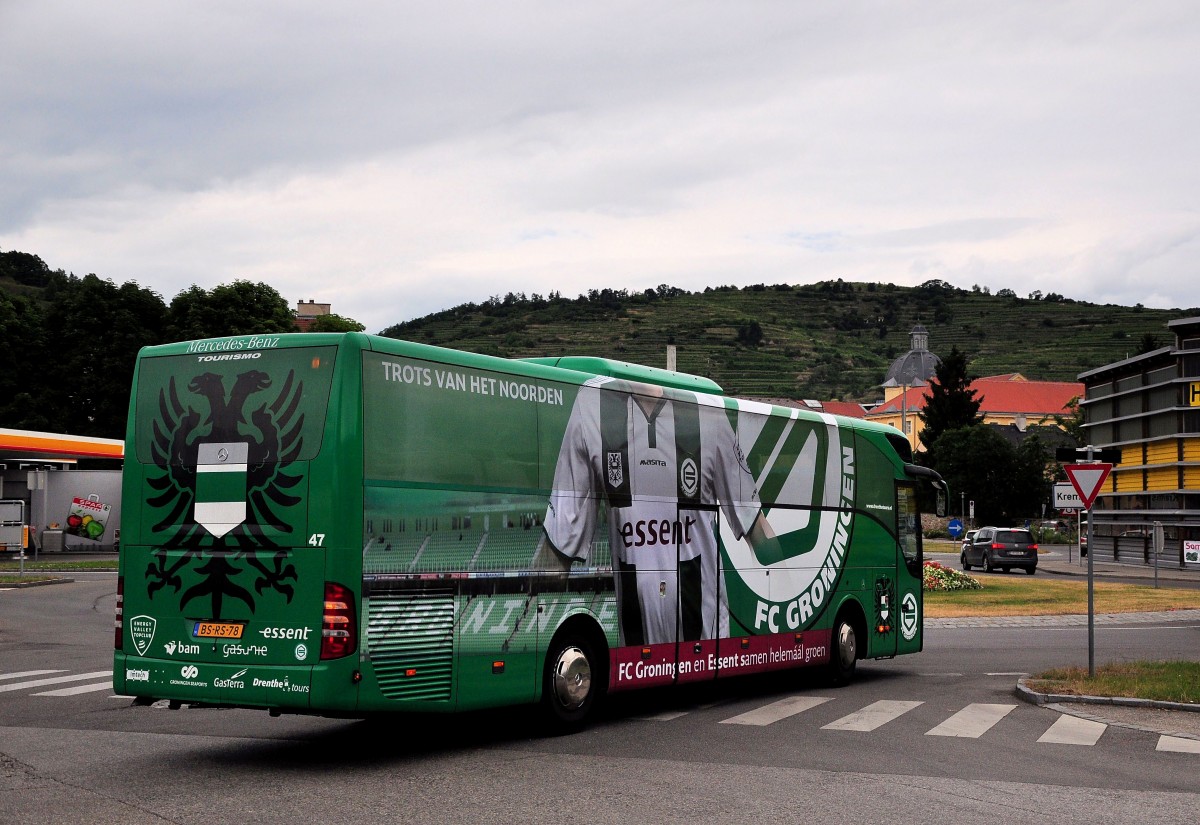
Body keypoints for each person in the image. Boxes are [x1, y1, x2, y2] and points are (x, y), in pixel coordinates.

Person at [536, 377, 775, 646]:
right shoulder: (591, 403)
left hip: (705, 649)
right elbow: (558, 548)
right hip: (637, 658)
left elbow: (755, 524)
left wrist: (788, 578)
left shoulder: (706, 410)